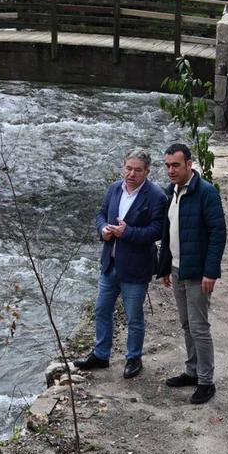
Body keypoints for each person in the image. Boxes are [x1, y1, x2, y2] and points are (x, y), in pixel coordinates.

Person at [74, 149, 168, 379]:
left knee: (134, 316)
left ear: (147, 171)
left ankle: (133, 357)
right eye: (128, 168)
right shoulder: (115, 188)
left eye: (137, 170)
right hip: (110, 262)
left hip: (136, 267)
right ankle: (101, 354)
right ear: (123, 167)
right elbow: (101, 214)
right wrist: (102, 230)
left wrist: (128, 232)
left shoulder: (156, 196)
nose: (131, 174)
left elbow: (157, 231)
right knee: (101, 310)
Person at [156, 143, 226, 405]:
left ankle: (206, 381)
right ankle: (192, 370)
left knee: (199, 327)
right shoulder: (171, 192)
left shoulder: (206, 193)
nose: (171, 170)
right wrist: (164, 268)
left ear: (189, 164)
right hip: (176, 269)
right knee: (186, 324)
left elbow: (218, 234)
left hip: (198, 272)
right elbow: (167, 232)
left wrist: (211, 272)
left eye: (175, 165)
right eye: (167, 165)